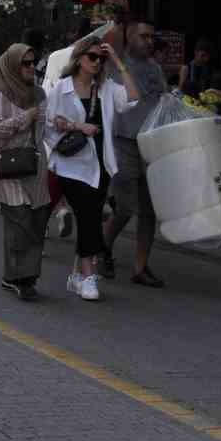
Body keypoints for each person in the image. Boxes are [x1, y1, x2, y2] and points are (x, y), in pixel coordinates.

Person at [45, 40, 141, 302]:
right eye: (92, 57)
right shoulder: (60, 89)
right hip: (71, 165)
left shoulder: (106, 88)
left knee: (92, 216)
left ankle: (77, 275)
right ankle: (88, 275)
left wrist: (119, 63)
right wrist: (78, 126)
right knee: (88, 216)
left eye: (101, 58)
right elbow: (49, 126)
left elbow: (133, 97)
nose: (97, 62)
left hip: (101, 164)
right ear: (78, 59)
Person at [101, 17, 167, 287]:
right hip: (123, 143)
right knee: (125, 207)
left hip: (150, 145)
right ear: (129, 37)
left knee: (149, 211)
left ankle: (140, 267)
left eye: (152, 37)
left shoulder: (154, 68)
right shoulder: (113, 65)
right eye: (143, 36)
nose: (149, 41)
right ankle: (102, 247)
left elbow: (163, 99)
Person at [0, 44, 51, 301]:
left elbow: (44, 127)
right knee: (19, 219)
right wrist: (26, 118)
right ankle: (19, 278)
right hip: (9, 164)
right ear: (12, 65)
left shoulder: (40, 93)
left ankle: (25, 276)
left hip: (35, 163)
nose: (31, 68)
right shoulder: (2, 94)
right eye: (25, 63)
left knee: (36, 220)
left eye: (33, 63)